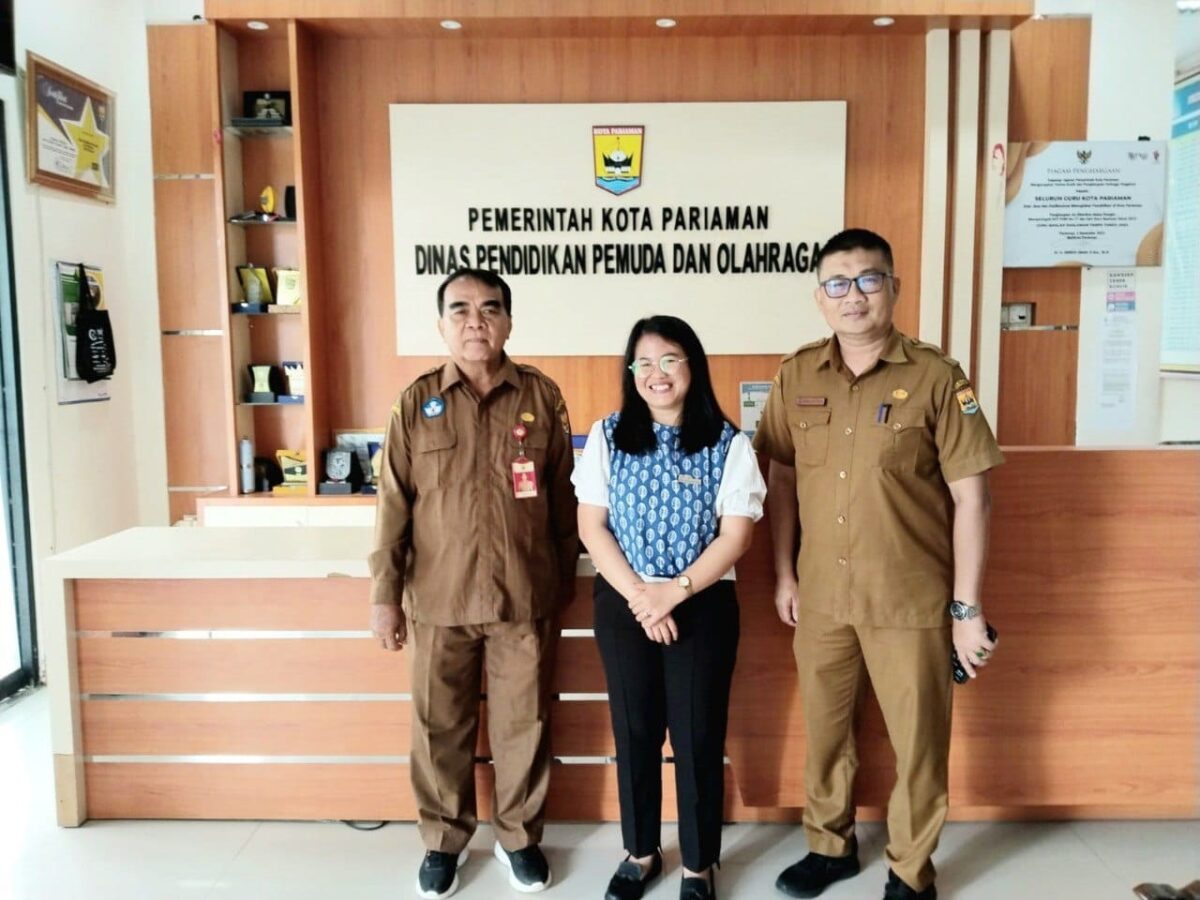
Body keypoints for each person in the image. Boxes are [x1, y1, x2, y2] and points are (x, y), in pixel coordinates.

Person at [753, 229, 1004, 900]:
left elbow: (973, 498)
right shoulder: (797, 374)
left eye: (868, 280)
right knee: (826, 734)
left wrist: (967, 609)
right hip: (821, 596)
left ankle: (910, 870)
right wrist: (784, 574)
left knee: (919, 744)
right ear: (820, 297)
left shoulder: (937, 376)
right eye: (837, 283)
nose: (853, 295)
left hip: (909, 598)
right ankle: (829, 848)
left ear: (893, 287)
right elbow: (781, 480)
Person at [369, 268, 578, 899]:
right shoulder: (416, 403)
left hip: (523, 595)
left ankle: (519, 839)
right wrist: (385, 595)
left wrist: (559, 583)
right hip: (439, 596)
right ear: (441, 325)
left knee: (524, 726)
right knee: (439, 728)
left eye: (489, 309)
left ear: (508, 322)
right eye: (459, 310)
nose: (475, 322)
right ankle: (442, 842)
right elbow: (392, 505)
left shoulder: (541, 396)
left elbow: (564, 498)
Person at [573, 315, 766, 900]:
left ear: (692, 368)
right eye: (644, 363)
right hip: (624, 601)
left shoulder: (728, 442)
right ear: (631, 372)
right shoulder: (608, 435)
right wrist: (642, 597)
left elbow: (736, 535)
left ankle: (699, 864)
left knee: (696, 734)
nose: (656, 374)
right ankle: (641, 851)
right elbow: (591, 525)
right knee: (634, 730)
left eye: (670, 360)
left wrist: (672, 593)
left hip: (702, 604)